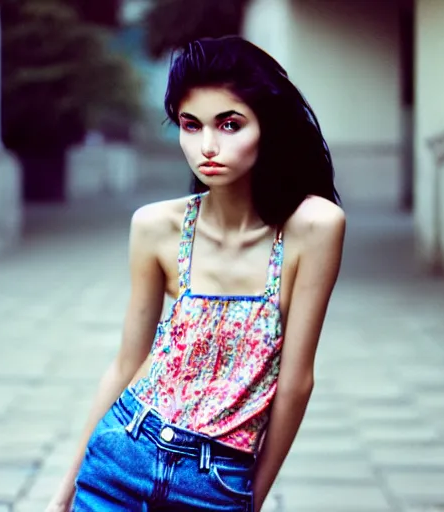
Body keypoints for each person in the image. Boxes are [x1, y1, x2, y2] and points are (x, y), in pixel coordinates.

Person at [47, 35, 346, 512]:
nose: (207, 146)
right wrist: (62, 494)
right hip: (120, 455)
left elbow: (296, 382)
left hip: (216, 480)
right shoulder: (156, 226)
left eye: (230, 124)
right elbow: (127, 363)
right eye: (191, 125)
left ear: (266, 127)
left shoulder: (313, 226)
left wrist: (251, 499)